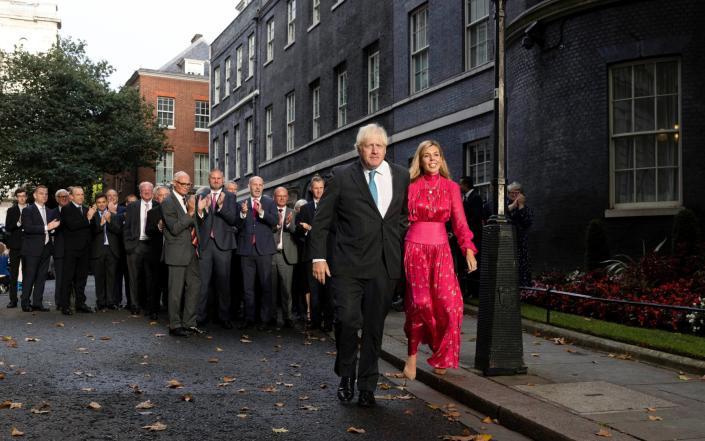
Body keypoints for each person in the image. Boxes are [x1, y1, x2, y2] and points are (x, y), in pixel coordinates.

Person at [310, 123, 410, 408]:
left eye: (380, 145)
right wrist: (319, 258)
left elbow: (401, 216)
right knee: (347, 320)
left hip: (384, 264)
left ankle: (368, 384)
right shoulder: (342, 177)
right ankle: (346, 374)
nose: (375, 150)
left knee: (374, 328)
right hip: (348, 266)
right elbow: (322, 221)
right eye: (369, 145)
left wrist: (397, 242)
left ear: (386, 149)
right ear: (359, 149)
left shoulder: (401, 176)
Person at [402, 141, 478, 380]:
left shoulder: (451, 187)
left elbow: (459, 221)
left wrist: (467, 249)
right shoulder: (410, 186)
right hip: (415, 248)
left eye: (436, 155)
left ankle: (441, 352)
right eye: (427, 155)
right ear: (420, 160)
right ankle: (412, 356)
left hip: (442, 250)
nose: (432, 159)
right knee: (421, 303)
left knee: (449, 305)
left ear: (442, 159)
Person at [161, 171, 208, 337]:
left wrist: (200, 211)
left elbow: (197, 223)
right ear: (175, 183)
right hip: (176, 252)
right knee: (175, 291)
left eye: (189, 184)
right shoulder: (167, 202)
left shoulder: (190, 200)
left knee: (194, 286)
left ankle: (189, 323)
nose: (187, 187)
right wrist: (190, 212)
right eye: (183, 184)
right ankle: (174, 325)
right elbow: (174, 229)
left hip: (192, 250)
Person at [195, 169, 239, 329]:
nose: (215, 180)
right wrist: (203, 209)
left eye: (218, 178)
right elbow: (197, 221)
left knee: (223, 283)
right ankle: (200, 316)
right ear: (209, 179)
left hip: (224, 245)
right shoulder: (200, 195)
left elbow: (233, 220)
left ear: (223, 180)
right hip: (205, 245)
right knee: (203, 283)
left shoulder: (231, 197)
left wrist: (220, 206)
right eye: (213, 178)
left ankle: (224, 317)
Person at [236, 176, 278, 330]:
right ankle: (249, 318)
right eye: (255, 185)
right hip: (246, 250)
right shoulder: (241, 203)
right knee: (247, 287)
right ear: (249, 186)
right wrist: (242, 214)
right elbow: (236, 225)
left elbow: (274, 222)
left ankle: (265, 320)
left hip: (264, 250)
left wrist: (261, 212)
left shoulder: (270, 202)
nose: (258, 187)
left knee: (265, 286)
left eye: (260, 185)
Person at [296, 175, 334, 331]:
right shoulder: (305, 208)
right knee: (314, 291)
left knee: (329, 291)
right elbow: (298, 232)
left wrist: (311, 229)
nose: (318, 191)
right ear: (311, 190)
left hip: (329, 254)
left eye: (321, 188)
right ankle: (316, 322)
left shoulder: (332, 207)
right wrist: (304, 230)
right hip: (310, 255)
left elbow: (334, 230)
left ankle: (329, 323)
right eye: (315, 189)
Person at [20, 185, 60, 312]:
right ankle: (25, 303)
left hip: (46, 248)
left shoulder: (50, 211)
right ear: (35, 195)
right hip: (32, 250)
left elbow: (51, 229)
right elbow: (28, 228)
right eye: (41, 193)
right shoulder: (28, 210)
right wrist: (47, 228)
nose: (44, 196)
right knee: (29, 277)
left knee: (42, 277)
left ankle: (37, 303)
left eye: (46, 194)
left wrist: (53, 229)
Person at [123, 182, 156, 316]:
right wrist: (128, 245)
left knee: (150, 278)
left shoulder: (159, 206)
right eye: (144, 190)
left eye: (149, 190)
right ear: (140, 192)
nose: (147, 192)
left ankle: (150, 306)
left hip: (152, 246)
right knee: (134, 278)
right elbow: (126, 228)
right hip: (135, 245)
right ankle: (134, 305)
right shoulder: (132, 206)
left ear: (152, 191)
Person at [59, 186, 93, 315]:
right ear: (71, 196)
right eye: (78, 194)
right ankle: (65, 305)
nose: (81, 196)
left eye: (82, 194)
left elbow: (91, 229)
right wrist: (88, 218)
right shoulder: (66, 209)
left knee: (82, 278)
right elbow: (72, 226)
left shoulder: (86, 209)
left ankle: (80, 303)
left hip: (85, 249)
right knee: (67, 278)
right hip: (71, 250)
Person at [88, 193, 122, 311]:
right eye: (99, 203)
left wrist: (109, 221)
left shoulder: (114, 215)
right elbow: (91, 233)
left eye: (103, 202)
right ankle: (101, 302)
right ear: (96, 204)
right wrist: (101, 224)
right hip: (98, 251)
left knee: (111, 277)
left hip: (112, 250)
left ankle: (110, 302)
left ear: (107, 203)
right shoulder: (92, 216)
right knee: (99, 278)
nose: (102, 204)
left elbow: (118, 231)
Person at [271, 187, 298, 328]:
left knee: (286, 289)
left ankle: (288, 317)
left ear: (287, 197)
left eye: (284, 196)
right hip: (271, 254)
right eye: (279, 196)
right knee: (271, 288)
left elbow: (296, 232)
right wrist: (276, 225)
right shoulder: (269, 211)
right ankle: (272, 317)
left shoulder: (294, 213)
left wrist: (287, 223)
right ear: (274, 197)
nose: (281, 198)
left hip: (286, 255)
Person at [459, 176, 486, 298]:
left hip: (474, 237)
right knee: (466, 264)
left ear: (466, 185)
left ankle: (474, 291)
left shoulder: (475, 197)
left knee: (473, 263)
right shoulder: (465, 198)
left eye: (461, 184)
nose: (459, 187)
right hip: (466, 237)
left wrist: (463, 226)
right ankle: (469, 290)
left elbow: (476, 217)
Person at [145, 185, 169, 319]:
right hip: (157, 253)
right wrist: (158, 227)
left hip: (173, 253)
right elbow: (148, 231)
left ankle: (171, 309)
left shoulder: (177, 211)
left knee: (171, 284)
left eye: (167, 194)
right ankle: (153, 310)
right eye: (161, 195)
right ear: (156, 197)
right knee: (155, 283)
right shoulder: (152, 213)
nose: (164, 197)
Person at [4, 188, 27, 308]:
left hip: (28, 246)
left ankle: (25, 298)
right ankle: (13, 300)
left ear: (26, 197)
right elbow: (8, 227)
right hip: (15, 246)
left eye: (23, 196)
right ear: (16, 198)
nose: (22, 198)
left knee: (27, 274)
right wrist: (18, 223)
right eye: (19, 196)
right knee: (13, 274)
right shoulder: (11, 210)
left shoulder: (31, 209)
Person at [507, 181, 533, 287]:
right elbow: (504, 216)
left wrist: (521, 206)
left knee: (522, 266)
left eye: (516, 193)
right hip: (508, 241)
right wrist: (513, 206)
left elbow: (527, 223)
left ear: (521, 194)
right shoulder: (505, 207)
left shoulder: (526, 209)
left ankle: (523, 288)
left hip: (520, 241)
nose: (514, 195)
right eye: (511, 193)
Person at [52, 189, 70, 311]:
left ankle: (70, 301)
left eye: (66, 196)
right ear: (57, 198)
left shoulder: (74, 211)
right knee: (60, 278)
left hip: (73, 250)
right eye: (61, 196)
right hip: (59, 250)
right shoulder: (51, 213)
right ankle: (59, 302)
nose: (64, 198)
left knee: (72, 278)